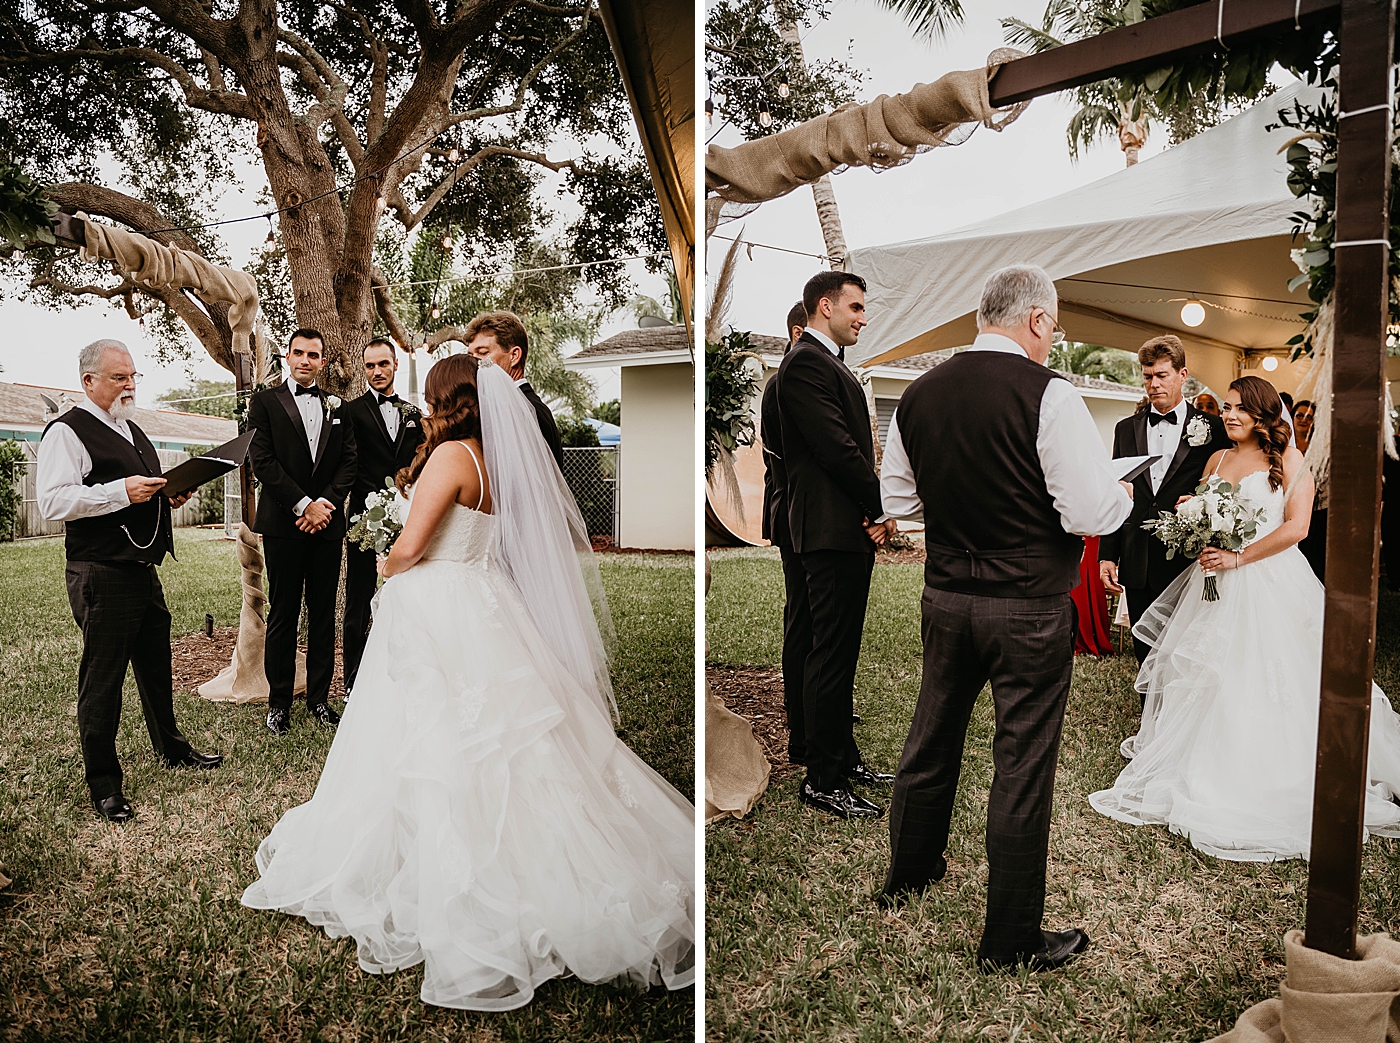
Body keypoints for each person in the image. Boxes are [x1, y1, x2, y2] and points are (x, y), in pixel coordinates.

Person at [241, 354, 694, 1010]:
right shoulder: (499, 458)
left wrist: (387, 549)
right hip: (486, 599)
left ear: (444, 398)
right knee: (506, 741)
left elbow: (414, 546)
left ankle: (447, 871)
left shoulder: (452, 456)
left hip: (439, 604)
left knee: (429, 736)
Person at [878, 265, 1132, 971]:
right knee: (1022, 761)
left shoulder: (920, 394)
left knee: (931, 735)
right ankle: (1011, 936)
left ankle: (910, 870)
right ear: (1038, 320)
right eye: (1055, 327)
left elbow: (896, 501)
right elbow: (1086, 512)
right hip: (1027, 607)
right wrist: (1123, 495)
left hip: (947, 598)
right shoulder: (1050, 394)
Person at [1088, 376, 1400, 861]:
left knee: (1271, 673)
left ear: (1261, 414)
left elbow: (1297, 528)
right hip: (1213, 585)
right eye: (1227, 407)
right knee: (1208, 671)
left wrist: (1239, 557)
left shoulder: (1289, 461)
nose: (1229, 415)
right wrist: (1192, 520)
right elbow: (1201, 515)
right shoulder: (1216, 459)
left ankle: (1268, 771)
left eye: (1238, 408)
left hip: (1270, 582)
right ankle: (1202, 763)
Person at [36, 339, 221, 822]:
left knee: (157, 666)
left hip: (142, 570)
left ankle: (172, 749)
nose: (130, 385)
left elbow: (141, 494)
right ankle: (104, 784)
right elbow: (55, 502)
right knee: (104, 680)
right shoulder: (67, 432)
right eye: (120, 377)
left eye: (134, 376)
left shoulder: (131, 429)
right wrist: (122, 491)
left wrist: (168, 497)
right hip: (100, 571)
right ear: (88, 381)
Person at [777, 270, 892, 820]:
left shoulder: (827, 364)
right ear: (826, 306)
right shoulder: (806, 365)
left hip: (840, 529)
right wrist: (882, 506)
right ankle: (822, 779)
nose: (863, 318)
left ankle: (842, 758)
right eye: (857, 308)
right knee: (830, 653)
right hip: (829, 530)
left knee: (839, 651)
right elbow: (839, 452)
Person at [247, 329, 357, 735]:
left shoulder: (338, 408)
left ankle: (319, 698)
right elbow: (263, 462)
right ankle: (279, 703)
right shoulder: (263, 403)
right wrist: (302, 505)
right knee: (284, 613)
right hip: (283, 526)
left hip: (326, 527)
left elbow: (349, 463)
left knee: (324, 614)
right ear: (288, 358)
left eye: (314, 355)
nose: (306, 361)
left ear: (323, 362)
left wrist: (324, 505)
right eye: (299, 353)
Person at [1100, 337, 1230, 667]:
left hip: (1188, 559)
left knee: (1187, 648)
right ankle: (1150, 718)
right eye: (1147, 376)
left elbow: (1226, 484)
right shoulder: (1125, 429)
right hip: (1137, 556)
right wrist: (1107, 556)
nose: (1153, 384)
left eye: (1162, 375)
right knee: (1146, 650)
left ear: (1182, 374)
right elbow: (1118, 491)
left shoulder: (1214, 427)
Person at [341, 337, 424, 696]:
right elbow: (346, 463)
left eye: (383, 364)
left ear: (395, 364)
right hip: (364, 521)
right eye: (370, 366)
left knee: (410, 596)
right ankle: (353, 683)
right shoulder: (350, 412)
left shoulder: (414, 415)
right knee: (358, 600)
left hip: (410, 519)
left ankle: (408, 675)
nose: (377, 372)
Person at [762, 302, 813, 767]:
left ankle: (812, 705)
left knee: (810, 619)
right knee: (801, 618)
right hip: (796, 515)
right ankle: (800, 720)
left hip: (801, 514)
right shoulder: (783, 384)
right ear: (799, 330)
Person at [464, 311, 563, 468]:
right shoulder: (513, 405)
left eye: (483, 353)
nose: (473, 362)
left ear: (514, 356)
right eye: (470, 355)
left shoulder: (526, 410)